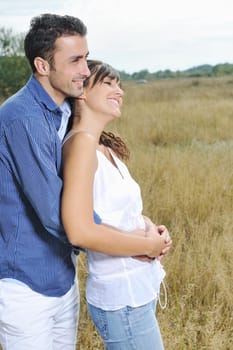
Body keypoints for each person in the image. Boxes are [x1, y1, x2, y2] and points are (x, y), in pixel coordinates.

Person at [0, 15, 170, 350]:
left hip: (63, 277)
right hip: (26, 285)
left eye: (85, 56)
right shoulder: (23, 118)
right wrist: (140, 242)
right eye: (75, 60)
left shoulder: (61, 111)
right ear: (42, 65)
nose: (85, 70)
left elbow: (94, 200)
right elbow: (57, 214)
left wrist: (143, 227)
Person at [61, 59, 171, 349]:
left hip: (136, 292)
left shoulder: (103, 147)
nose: (119, 91)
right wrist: (148, 245)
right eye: (108, 83)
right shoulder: (81, 147)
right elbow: (82, 228)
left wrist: (153, 230)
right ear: (81, 92)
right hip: (121, 297)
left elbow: (120, 212)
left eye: (119, 84)